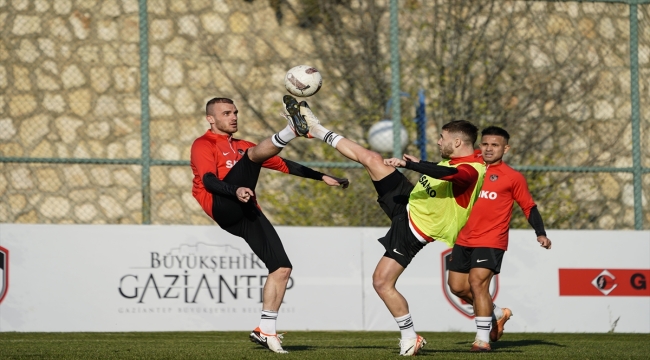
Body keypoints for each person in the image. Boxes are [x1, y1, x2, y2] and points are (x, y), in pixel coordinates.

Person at [295, 101, 486, 356]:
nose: (439, 142)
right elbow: (441, 172)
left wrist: (413, 165)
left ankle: (410, 336)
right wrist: (416, 165)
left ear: (458, 142)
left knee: (382, 282)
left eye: (442, 138)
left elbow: (453, 176)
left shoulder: (472, 170)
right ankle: (316, 129)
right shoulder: (455, 161)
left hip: (413, 229)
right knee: (371, 158)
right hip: (407, 201)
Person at [190, 96, 349, 354]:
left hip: (246, 209)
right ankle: (291, 130)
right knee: (252, 157)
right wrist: (235, 189)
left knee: (282, 268)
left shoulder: (245, 146)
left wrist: (322, 176)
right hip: (222, 205)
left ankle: (266, 329)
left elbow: (285, 165)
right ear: (211, 119)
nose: (234, 117)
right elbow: (208, 181)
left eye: (235, 112)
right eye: (227, 113)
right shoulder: (203, 144)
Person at [447, 126, 552, 352]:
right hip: (463, 238)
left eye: (495, 145)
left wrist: (540, 233)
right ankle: (496, 313)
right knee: (456, 287)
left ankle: (482, 340)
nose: (488, 148)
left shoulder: (513, 177)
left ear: (506, 148)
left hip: (492, 240)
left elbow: (529, 207)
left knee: (477, 283)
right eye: (485, 144)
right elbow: (446, 158)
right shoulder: (470, 166)